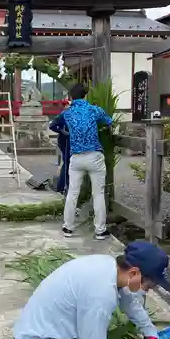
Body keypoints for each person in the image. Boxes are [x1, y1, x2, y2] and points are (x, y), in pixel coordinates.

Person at [14, 241, 170, 339]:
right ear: (133, 273)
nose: (147, 291)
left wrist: (149, 331)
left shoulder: (111, 267)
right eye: (149, 286)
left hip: (56, 331)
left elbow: (129, 302)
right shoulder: (101, 294)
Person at [61, 83, 112, 240]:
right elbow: (109, 120)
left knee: (72, 193)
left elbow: (64, 126)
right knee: (98, 194)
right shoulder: (94, 110)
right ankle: (100, 231)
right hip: (94, 156)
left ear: (71, 97)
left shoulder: (67, 114)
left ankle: (68, 228)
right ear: (85, 95)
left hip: (76, 158)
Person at [49, 99, 71, 194]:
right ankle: (61, 186)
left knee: (68, 163)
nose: (67, 106)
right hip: (64, 140)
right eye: (65, 105)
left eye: (67, 105)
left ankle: (64, 186)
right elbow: (52, 126)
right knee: (66, 163)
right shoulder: (63, 115)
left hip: (70, 140)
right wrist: (62, 131)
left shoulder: (72, 114)